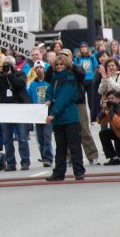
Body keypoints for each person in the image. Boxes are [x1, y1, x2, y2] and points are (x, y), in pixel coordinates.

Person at [45, 51, 85, 181]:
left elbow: (64, 98)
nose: (59, 66)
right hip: (59, 119)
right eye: (57, 64)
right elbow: (50, 91)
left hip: (69, 117)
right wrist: (48, 99)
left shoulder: (70, 77)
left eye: (62, 64)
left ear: (66, 64)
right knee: (60, 147)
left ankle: (78, 172)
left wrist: (52, 113)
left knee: (74, 146)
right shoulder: (55, 78)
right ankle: (59, 172)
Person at [0, 55, 32, 171]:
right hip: (5, 110)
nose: (7, 67)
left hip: (18, 109)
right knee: (7, 139)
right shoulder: (1, 76)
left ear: (14, 65)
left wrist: (10, 75)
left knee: (22, 137)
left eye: (9, 65)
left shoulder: (20, 74)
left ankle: (25, 162)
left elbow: (20, 85)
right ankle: (10, 162)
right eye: (5, 65)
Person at [27, 62, 53, 168]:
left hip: (48, 112)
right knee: (40, 137)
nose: (39, 70)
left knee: (47, 136)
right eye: (36, 68)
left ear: (44, 69)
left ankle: (48, 158)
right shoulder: (32, 84)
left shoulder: (49, 82)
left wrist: (50, 101)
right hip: (37, 114)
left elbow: (53, 94)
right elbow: (29, 97)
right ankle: (44, 157)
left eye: (41, 67)